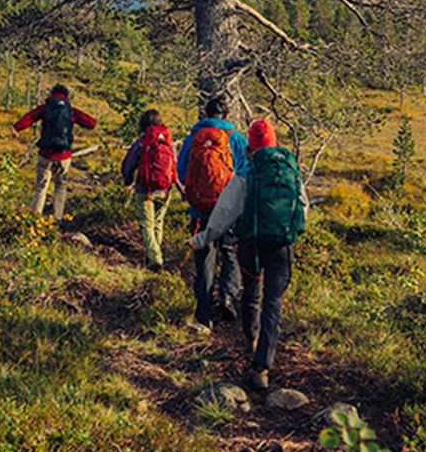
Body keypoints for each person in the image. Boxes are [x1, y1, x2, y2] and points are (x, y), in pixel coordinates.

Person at [191, 118, 307, 390]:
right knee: (273, 302)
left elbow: (222, 216)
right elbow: (303, 205)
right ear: (274, 142)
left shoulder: (245, 176)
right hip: (282, 247)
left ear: (250, 148)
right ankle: (262, 366)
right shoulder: (291, 170)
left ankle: (251, 339)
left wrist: (202, 239)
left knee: (252, 292)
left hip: (250, 247)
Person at [176, 95, 248, 328]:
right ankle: (227, 297)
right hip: (228, 211)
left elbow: (181, 171)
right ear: (227, 116)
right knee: (230, 253)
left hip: (200, 212)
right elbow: (245, 173)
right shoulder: (235, 139)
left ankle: (204, 314)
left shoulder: (193, 139)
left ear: (206, 115)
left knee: (204, 260)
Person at [12, 83, 96, 220]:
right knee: (60, 186)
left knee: (40, 187)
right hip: (64, 156)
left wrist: (17, 128)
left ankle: (34, 218)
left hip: (45, 154)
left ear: (51, 94)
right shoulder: (71, 111)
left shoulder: (45, 108)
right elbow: (91, 123)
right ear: (67, 96)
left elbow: (30, 118)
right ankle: (57, 219)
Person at [120, 108, 178, 270]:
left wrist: (127, 181)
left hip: (145, 190)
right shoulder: (168, 141)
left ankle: (155, 260)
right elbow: (176, 165)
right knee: (158, 223)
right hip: (166, 189)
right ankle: (154, 254)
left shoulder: (141, 142)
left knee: (147, 225)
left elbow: (128, 164)